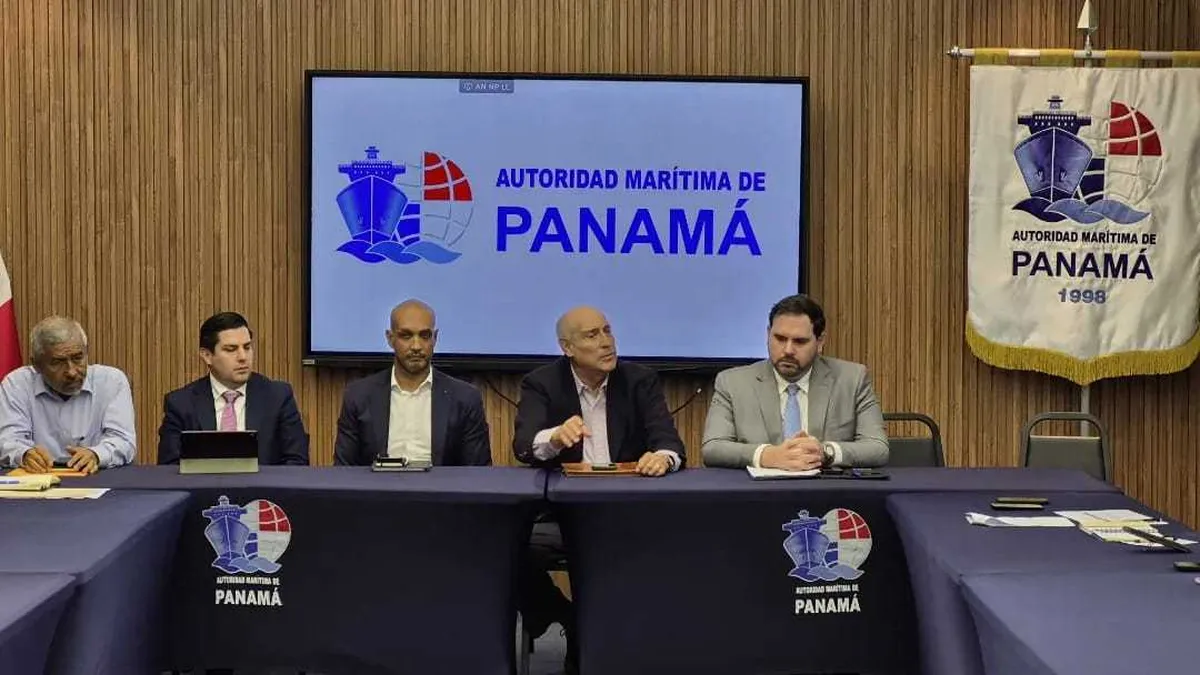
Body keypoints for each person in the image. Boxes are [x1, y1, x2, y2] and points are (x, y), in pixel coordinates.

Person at [513, 305, 686, 675]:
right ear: (567, 348)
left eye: (607, 330)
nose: (607, 342)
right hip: (562, 514)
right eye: (592, 335)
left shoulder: (639, 381)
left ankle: (626, 643)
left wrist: (662, 458)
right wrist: (554, 438)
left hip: (625, 512)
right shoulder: (542, 383)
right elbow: (525, 445)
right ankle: (564, 616)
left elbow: (669, 443)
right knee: (510, 549)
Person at [702, 293, 888, 470]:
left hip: (826, 489)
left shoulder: (852, 379)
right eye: (780, 339)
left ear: (820, 341)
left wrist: (825, 452)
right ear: (768, 334)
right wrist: (767, 456)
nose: (788, 350)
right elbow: (713, 448)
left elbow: (877, 448)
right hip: (759, 490)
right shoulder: (733, 383)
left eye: (799, 341)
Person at [334, 299, 490, 466]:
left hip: (440, 483)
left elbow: (478, 473)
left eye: (424, 336)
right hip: (380, 483)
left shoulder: (465, 399)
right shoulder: (359, 396)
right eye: (406, 336)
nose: (416, 346)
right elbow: (343, 470)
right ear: (390, 338)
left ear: (435, 338)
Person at [157, 312, 309, 465]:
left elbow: (297, 462)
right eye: (231, 349)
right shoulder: (181, 404)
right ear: (207, 355)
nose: (243, 357)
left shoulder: (278, 397)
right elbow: (169, 468)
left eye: (247, 347)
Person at [0, 315, 135, 473]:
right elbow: (8, 440)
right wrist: (24, 454)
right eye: (58, 362)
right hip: (38, 478)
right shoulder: (17, 384)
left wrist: (96, 455)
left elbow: (124, 441)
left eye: (78, 358)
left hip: (97, 477)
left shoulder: (111, 381)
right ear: (36, 365)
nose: (71, 372)